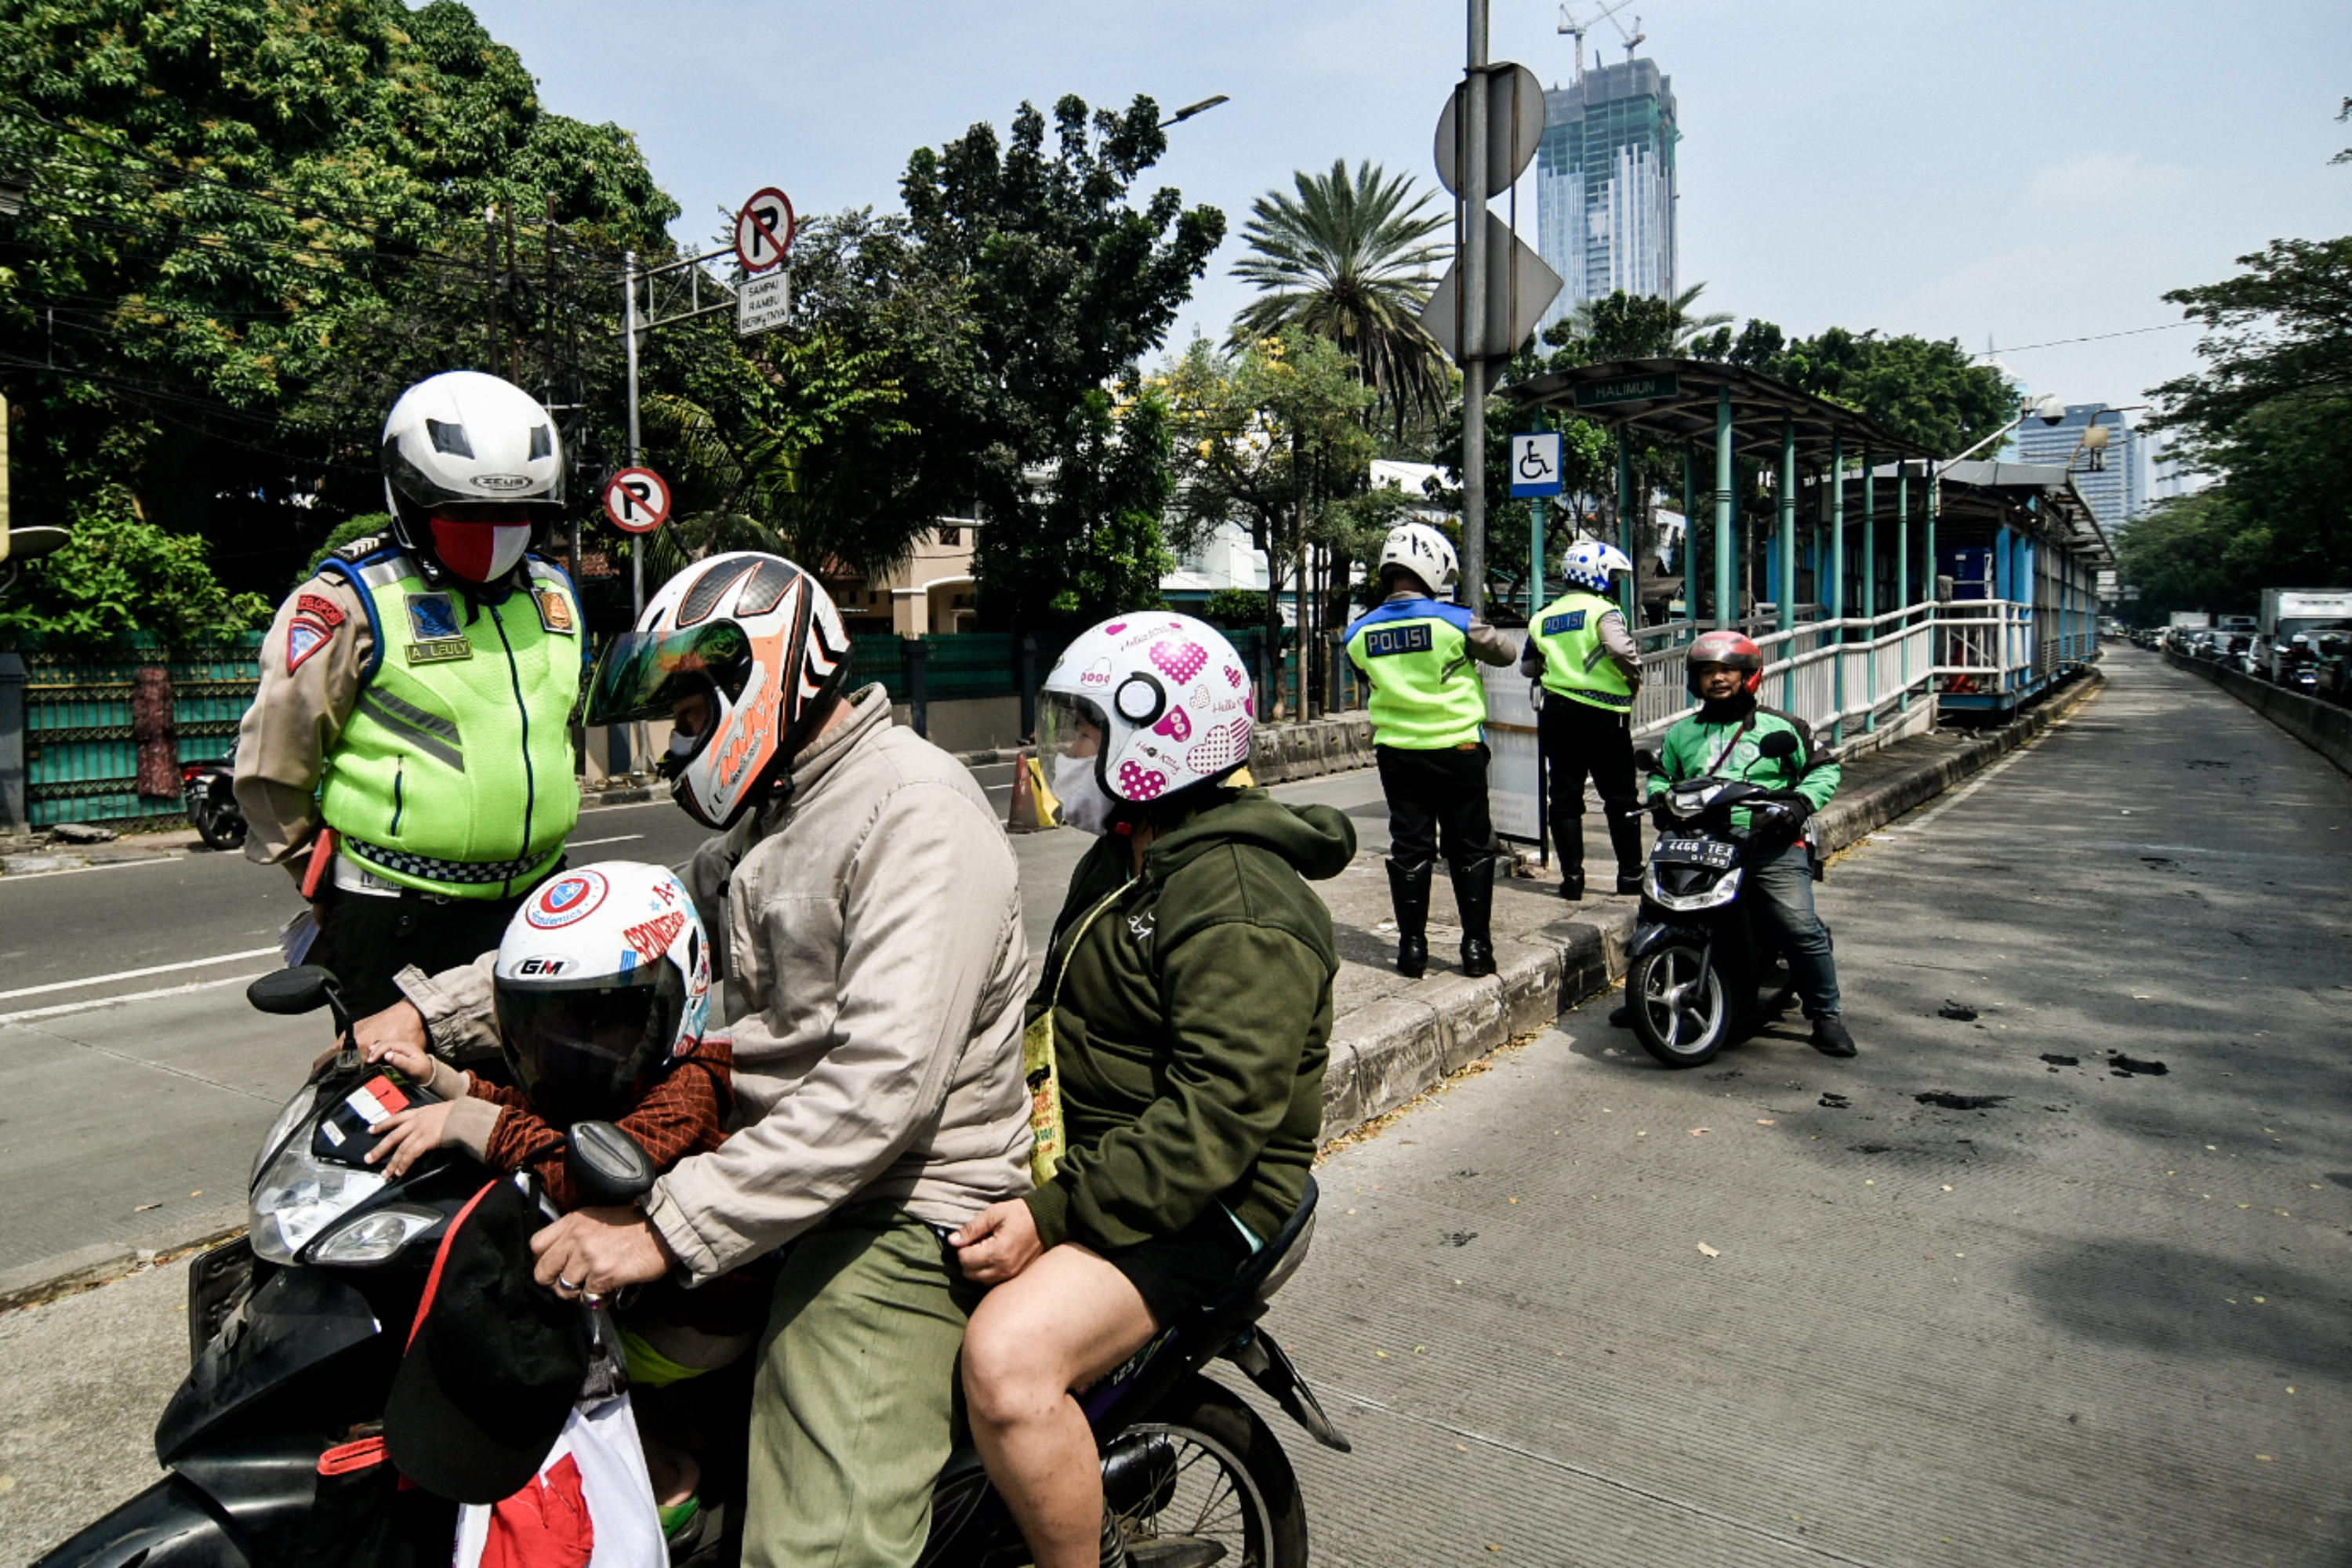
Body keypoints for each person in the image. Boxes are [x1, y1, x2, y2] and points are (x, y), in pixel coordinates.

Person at [360, 551, 1031, 1568]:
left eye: (686, 713)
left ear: (754, 682)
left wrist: (663, 1229)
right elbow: (631, 946)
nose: (678, 744)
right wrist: (429, 1016)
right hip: (767, 1172)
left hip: (897, 1202)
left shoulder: (918, 813)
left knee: (814, 1551)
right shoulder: (777, 813)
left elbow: (879, 1093)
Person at [949, 613, 1352, 1568]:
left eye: (1085, 731)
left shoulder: (1240, 899)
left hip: (1210, 1202)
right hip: (1098, 1161)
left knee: (1006, 1364)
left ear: (1157, 738)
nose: (1066, 751)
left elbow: (1215, 1121)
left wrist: (1051, 1213)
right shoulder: (1127, 856)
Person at [357, 860, 735, 1541]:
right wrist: (443, 1080)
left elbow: (586, 1172)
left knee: (515, 1320)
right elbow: (533, 1118)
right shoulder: (600, 1077)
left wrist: (470, 1123)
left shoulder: (687, 1090)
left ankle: (656, 1478)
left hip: (692, 1320)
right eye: (546, 1026)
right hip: (648, 1299)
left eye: (602, 1024)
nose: (571, 1045)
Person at [234, 370, 586, 1018]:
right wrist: (314, 872)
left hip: (541, 907)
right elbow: (270, 768)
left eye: (518, 516)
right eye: (465, 516)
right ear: (413, 501)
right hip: (396, 919)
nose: (494, 533)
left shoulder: (554, 597)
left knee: (533, 1109)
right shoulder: (350, 604)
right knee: (394, 1105)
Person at [1628, 630, 1857, 1058]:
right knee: (1654, 906)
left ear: (1748, 676)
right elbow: (1662, 773)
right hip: (1702, 837)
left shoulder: (1784, 728)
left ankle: (1826, 1014)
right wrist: (1659, 797)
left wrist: (1799, 805)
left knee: (1796, 924)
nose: (1717, 679)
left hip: (1770, 840)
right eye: (1708, 672)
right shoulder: (1682, 733)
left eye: (1727, 671)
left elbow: (1824, 770)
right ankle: (1649, 987)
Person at [1341, 521, 1519, 979]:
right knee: (1470, 847)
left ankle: (1412, 950)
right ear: (1433, 567)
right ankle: (1476, 949)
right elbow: (1506, 653)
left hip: (1398, 753)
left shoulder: (1357, 633)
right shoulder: (1454, 621)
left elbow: (1369, 677)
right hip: (1458, 747)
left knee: (1410, 846)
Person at [1521, 539, 1644, 900]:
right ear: (1599, 575)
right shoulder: (1602, 611)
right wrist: (1634, 676)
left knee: (1564, 797)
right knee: (1620, 797)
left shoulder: (1543, 616)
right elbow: (1620, 649)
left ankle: (1572, 879)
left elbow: (1529, 665)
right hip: (1604, 714)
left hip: (1557, 713)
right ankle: (1630, 877)